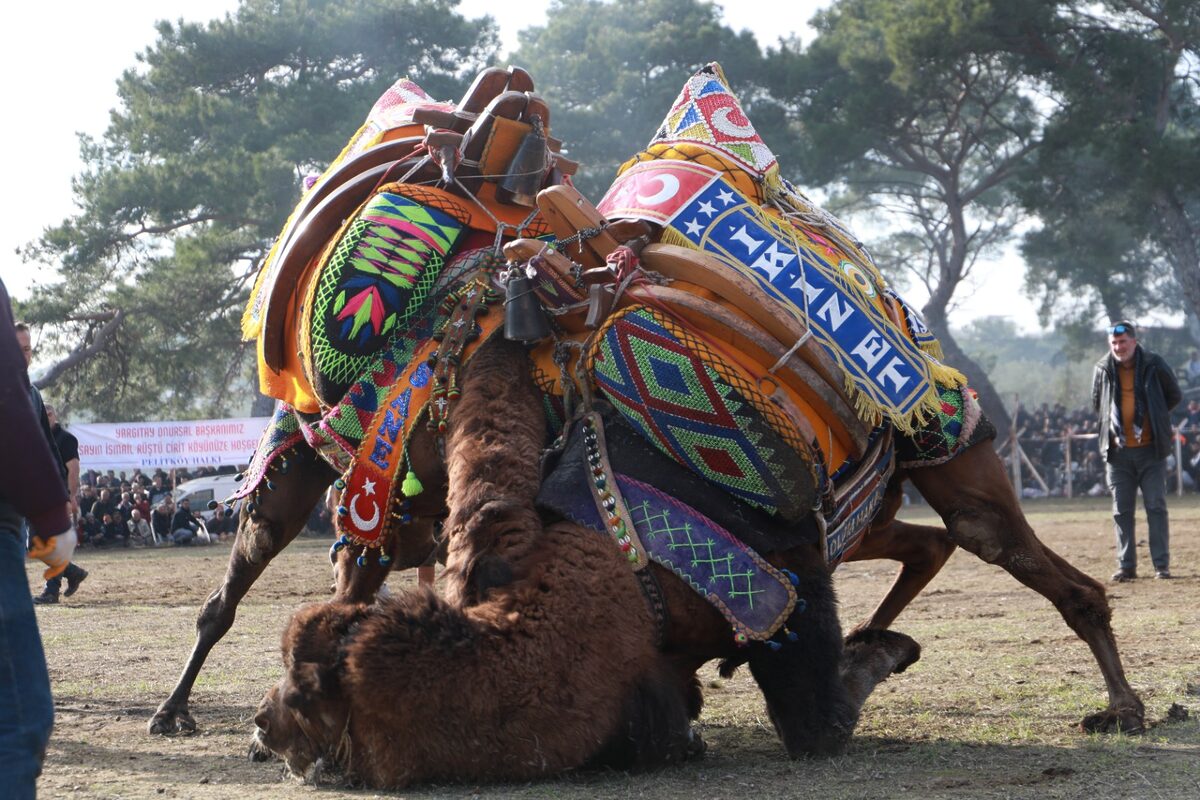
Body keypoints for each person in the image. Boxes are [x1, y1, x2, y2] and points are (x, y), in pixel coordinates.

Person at [2, 282, 73, 798]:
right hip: (12, 513)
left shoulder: (34, 392)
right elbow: (10, 416)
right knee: (19, 721)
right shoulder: (19, 389)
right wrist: (52, 507)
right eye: (16, 347)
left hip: (19, 514)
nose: (23, 357)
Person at [1092, 321, 1183, 581]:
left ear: (1134, 341)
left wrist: (1153, 415)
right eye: (1114, 344)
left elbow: (1173, 395)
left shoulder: (1154, 364)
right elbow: (1097, 403)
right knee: (1121, 510)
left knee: (1156, 506)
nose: (1119, 348)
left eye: (1123, 342)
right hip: (1118, 453)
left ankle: (1161, 566)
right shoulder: (1102, 369)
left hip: (1151, 450)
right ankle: (1126, 566)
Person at [32, 405, 89, 604]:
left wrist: (70, 496)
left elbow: (73, 469)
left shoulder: (65, 439)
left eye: (50, 414)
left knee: (39, 542)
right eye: (43, 414)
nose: (46, 417)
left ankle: (53, 589)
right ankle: (68, 576)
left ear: (56, 416)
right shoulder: (37, 438)